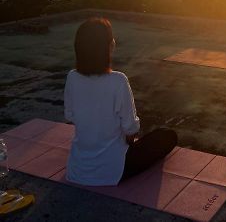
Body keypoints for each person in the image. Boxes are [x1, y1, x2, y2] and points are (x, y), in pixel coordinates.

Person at [64, 17, 177, 186]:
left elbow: (70, 116)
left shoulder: (72, 77)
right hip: (114, 169)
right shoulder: (118, 81)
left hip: (77, 169)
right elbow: (131, 129)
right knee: (168, 136)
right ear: (110, 46)